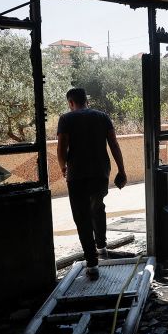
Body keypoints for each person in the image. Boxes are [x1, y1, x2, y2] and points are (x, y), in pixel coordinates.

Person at [56, 87, 128, 279]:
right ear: (85, 100)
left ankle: (92, 263)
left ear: (71, 102)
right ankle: (102, 247)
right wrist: (121, 170)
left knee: (82, 217)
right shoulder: (102, 116)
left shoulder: (66, 119)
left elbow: (62, 148)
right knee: (97, 207)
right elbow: (114, 144)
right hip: (100, 173)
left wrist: (64, 167)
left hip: (77, 175)